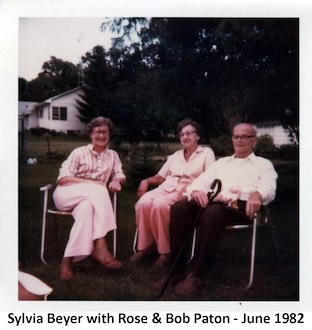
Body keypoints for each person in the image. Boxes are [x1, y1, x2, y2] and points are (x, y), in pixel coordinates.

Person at [151, 123, 278, 295]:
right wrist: (195, 191)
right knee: (180, 208)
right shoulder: (222, 163)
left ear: (254, 141)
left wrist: (258, 194)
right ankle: (176, 272)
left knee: (212, 213)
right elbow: (200, 182)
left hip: (242, 206)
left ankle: (198, 276)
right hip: (216, 203)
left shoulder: (263, 164)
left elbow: (269, 185)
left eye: (245, 136)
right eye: (236, 136)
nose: (239, 140)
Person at [130, 119, 215, 267]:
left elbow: (210, 177)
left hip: (187, 191)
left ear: (198, 136)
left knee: (160, 205)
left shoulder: (206, 153)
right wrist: (146, 181)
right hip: (165, 188)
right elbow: (160, 177)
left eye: (189, 133)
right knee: (142, 202)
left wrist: (192, 188)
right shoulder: (175, 155)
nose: (185, 137)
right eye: (182, 134)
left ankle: (165, 251)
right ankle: (145, 246)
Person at [53, 117, 126, 280]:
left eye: (105, 132)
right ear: (90, 134)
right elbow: (63, 180)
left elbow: (120, 175)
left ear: (109, 134)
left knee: (87, 208)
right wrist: (92, 184)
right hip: (66, 194)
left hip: (90, 200)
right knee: (99, 188)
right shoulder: (79, 152)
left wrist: (116, 180)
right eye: (97, 131)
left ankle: (66, 262)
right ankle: (100, 245)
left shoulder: (113, 155)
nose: (101, 135)